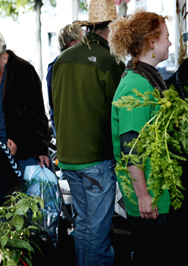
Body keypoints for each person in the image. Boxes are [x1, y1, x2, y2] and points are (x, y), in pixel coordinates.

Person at [51, 0, 125, 265]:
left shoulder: (63, 58)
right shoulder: (110, 60)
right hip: (96, 158)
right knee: (97, 231)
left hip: (69, 157)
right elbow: (119, 112)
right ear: (113, 28)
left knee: (83, 225)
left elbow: (55, 106)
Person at [109, 11, 172, 265]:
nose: (170, 42)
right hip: (149, 199)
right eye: (166, 37)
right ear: (152, 42)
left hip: (157, 194)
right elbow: (130, 147)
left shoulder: (147, 78)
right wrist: (143, 195)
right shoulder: (136, 84)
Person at [0, 25, 50, 175]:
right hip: (2, 152)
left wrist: (41, 149)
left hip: (25, 153)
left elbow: (37, 113)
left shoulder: (24, 70)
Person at [45, 23, 84, 135]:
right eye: (82, 40)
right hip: (69, 128)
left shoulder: (54, 66)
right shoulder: (57, 66)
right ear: (72, 43)